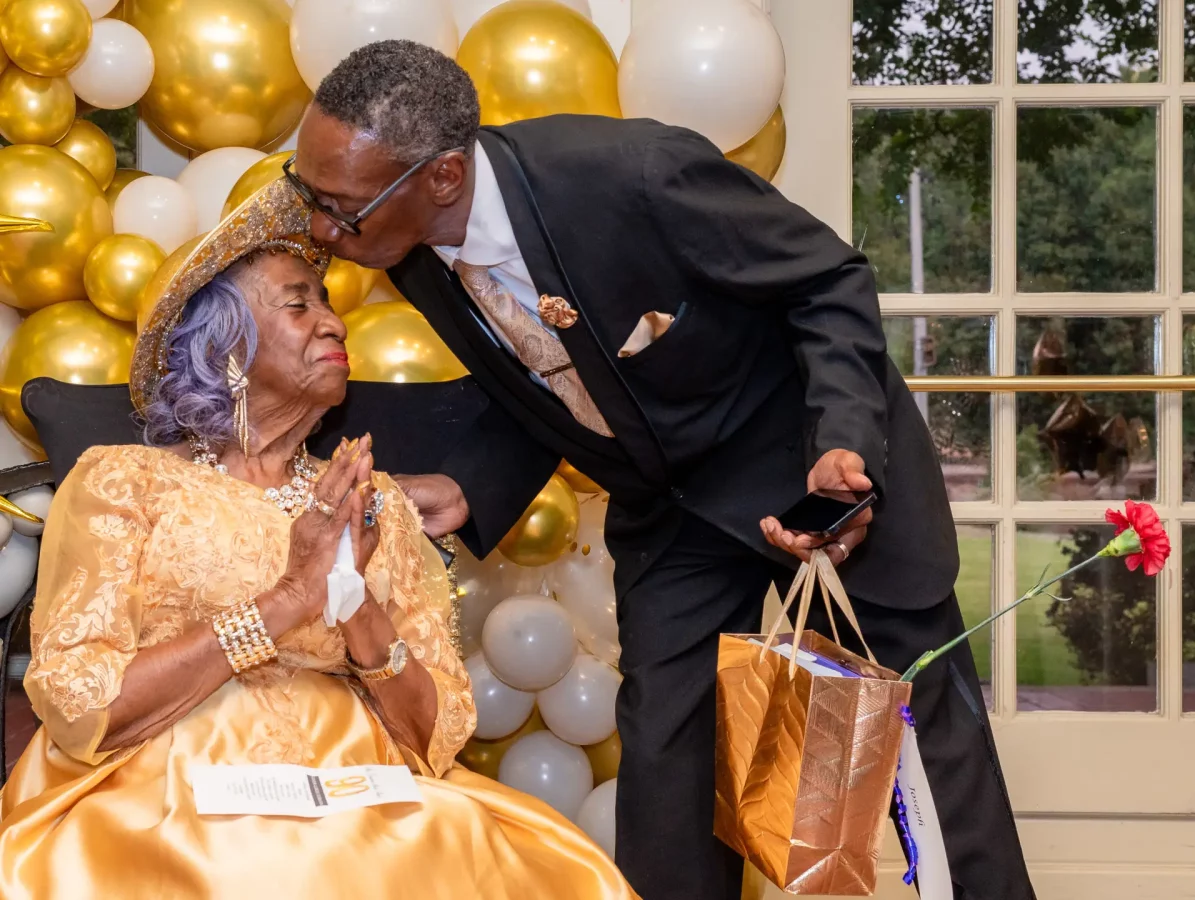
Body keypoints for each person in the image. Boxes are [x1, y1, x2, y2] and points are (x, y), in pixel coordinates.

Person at [289, 40, 1036, 900]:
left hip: (816, 473)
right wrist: (471, 485)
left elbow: (827, 280)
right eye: (311, 197)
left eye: (343, 209)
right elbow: (550, 374)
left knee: (926, 741)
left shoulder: (636, 175)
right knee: (664, 763)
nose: (322, 229)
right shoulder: (407, 242)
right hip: (674, 509)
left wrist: (843, 444)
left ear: (444, 176)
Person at [0, 180, 638, 900]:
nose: (332, 323)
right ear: (226, 343)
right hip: (173, 787)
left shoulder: (373, 507)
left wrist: (355, 604)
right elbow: (83, 703)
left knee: (519, 864)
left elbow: (437, 739)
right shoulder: (123, 482)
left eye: (328, 303)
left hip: (365, 793)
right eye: (298, 303)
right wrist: (285, 601)